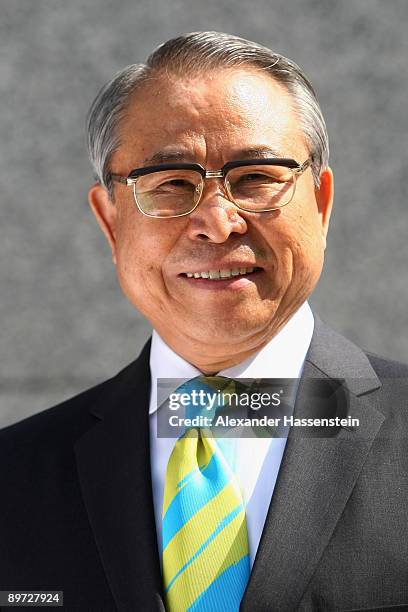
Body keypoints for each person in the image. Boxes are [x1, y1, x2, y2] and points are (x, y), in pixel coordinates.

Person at [0, 31, 407, 612]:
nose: (217, 223)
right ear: (111, 223)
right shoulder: (14, 478)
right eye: (170, 185)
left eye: (256, 177)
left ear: (321, 203)